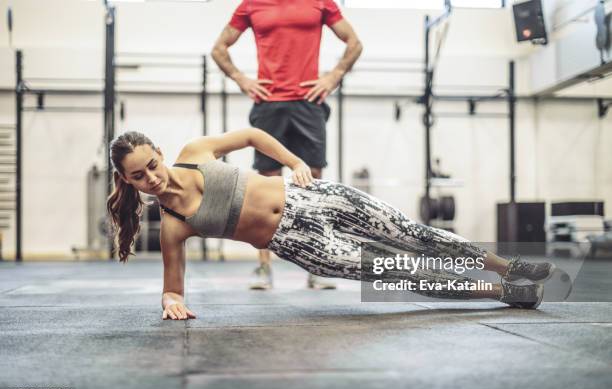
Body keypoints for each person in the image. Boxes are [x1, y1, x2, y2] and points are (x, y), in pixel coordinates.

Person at [107, 129, 561, 320]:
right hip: (303, 244)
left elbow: (251, 137)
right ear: (126, 180)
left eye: (151, 165)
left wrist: (294, 161)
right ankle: (506, 292)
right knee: (405, 272)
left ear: (159, 153)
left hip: (314, 197)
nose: (151, 178)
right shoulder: (173, 225)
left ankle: (508, 266)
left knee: (419, 236)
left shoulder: (197, 152)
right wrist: (170, 301)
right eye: (138, 176)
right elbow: (174, 285)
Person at [211, 0, 363, 290]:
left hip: (308, 104)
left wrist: (333, 76)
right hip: (269, 105)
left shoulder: (321, 2)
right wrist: (242, 79)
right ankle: (264, 267)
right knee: (265, 187)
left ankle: (318, 265)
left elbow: (354, 43)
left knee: (313, 186)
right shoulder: (251, 5)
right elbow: (219, 48)